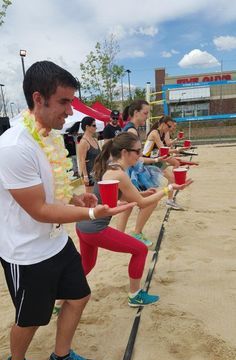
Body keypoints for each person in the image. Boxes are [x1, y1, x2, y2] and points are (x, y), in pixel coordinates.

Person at [0, 60, 135, 360]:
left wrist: (76, 199)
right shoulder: (14, 146)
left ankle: (60, 357)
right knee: (31, 317)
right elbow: (39, 209)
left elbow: (51, 192)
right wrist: (92, 216)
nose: (70, 110)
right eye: (63, 102)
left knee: (79, 296)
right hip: (26, 251)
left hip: (57, 241)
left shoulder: (48, 136)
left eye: (72, 101)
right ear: (38, 98)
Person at [76, 132, 192, 308]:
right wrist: (168, 188)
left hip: (83, 225)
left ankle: (60, 300)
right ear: (125, 152)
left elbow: (120, 197)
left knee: (87, 265)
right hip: (95, 229)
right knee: (140, 250)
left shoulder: (111, 166)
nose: (140, 155)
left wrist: (141, 194)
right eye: (137, 151)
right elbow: (142, 204)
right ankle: (135, 295)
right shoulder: (120, 173)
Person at [117, 100, 160, 246]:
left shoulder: (131, 128)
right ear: (136, 113)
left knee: (127, 205)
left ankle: (119, 236)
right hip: (132, 173)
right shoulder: (132, 131)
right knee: (151, 200)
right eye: (145, 113)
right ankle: (136, 232)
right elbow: (134, 158)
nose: (147, 117)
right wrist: (154, 161)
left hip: (128, 171)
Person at [143, 116, 185, 210]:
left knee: (172, 177)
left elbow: (163, 150)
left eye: (171, 127)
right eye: (169, 126)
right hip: (148, 160)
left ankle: (169, 201)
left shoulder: (163, 132)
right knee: (146, 187)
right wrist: (177, 150)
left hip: (156, 159)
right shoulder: (155, 133)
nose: (170, 129)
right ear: (162, 124)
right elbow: (163, 150)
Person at [77, 117, 101, 193]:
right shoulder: (84, 142)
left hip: (97, 172)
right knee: (90, 197)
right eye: (94, 125)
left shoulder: (94, 140)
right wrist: (85, 176)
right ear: (87, 127)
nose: (96, 127)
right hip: (89, 173)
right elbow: (81, 160)